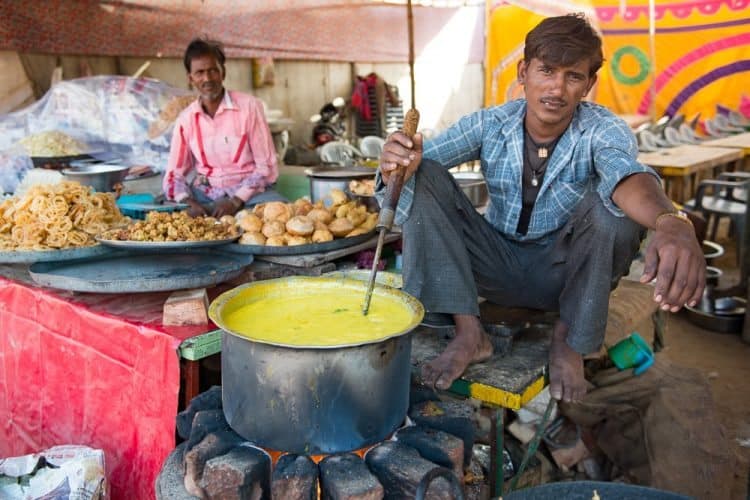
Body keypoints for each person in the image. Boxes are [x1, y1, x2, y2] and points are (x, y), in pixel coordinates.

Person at [378, 14, 705, 403]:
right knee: (424, 174)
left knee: (612, 212)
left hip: (562, 274)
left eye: (573, 76)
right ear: (523, 72)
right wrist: (396, 162)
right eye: (546, 70)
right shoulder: (490, 123)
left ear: (589, 85)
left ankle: (569, 340)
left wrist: (671, 221)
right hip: (494, 267)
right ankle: (470, 333)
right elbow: (416, 164)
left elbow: (626, 177)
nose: (556, 88)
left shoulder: (602, 129)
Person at [163, 38, 285, 217]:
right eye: (200, 73)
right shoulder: (186, 119)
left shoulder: (249, 107)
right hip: (204, 196)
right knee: (172, 219)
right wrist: (188, 202)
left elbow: (266, 166)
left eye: (213, 70)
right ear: (191, 79)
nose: (207, 78)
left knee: (277, 216)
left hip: (249, 195)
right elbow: (174, 174)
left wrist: (235, 201)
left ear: (223, 72)